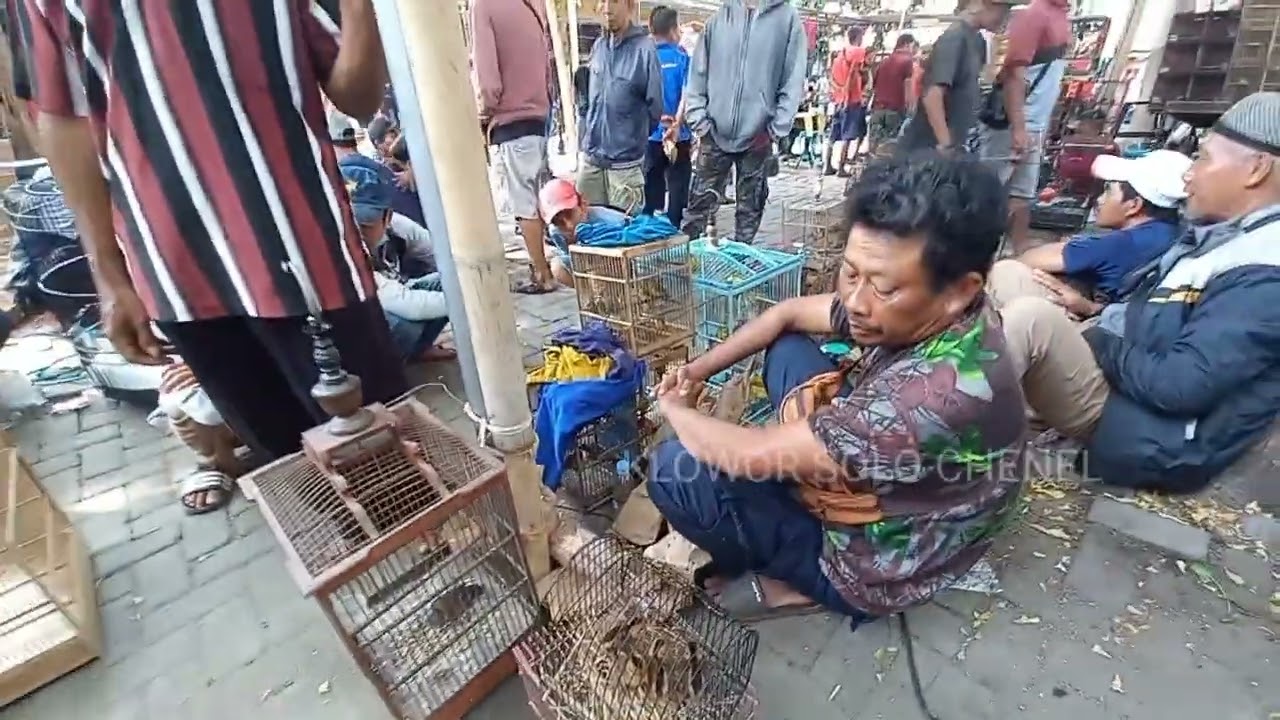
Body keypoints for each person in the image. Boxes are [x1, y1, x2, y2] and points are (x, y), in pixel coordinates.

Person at [13, 0, 408, 514]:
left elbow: (357, 97)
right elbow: (62, 115)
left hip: (307, 254)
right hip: (178, 272)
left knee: (386, 451)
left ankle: (435, 562)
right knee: (290, 461)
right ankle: (363, 572)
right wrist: (108, 275)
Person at [647, 155, 1026, 620]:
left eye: (883, 288)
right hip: (910, 485)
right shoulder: (926, 311)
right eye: (850, 273)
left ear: (959, 290)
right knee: (787, 347)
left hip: (887, 567)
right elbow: (785, 315)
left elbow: (746, 454)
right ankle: (807, 483)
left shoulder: (930, 397)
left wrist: (677, 409)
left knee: (673, 471)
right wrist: (697, 371)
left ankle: (808, 585)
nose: (856, 301)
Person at [996, 92, 1280, 494]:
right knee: (1011, 276)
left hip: (1146, 430)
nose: (1190, 176)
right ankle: (1007, 410)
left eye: (1202, 158)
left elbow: (1180, 385)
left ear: (1256, 169)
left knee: (1029, 318)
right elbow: (1160, 320)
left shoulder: (1266, 270)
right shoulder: (1226, 239)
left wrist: (1096, 338)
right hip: (1125, 377)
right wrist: (1093, 313)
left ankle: (937, 442)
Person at [988, 150, 1190, 319]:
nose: (1100, 199)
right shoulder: (1174, 232)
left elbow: (1027, 260)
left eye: (1109, 191)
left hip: (1104, 331)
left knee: (1005, 271)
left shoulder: (1120, 244)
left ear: (1133, 205)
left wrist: (1074, 246)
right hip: (1123, 318)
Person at [681, 0, 807, 245]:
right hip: (714, 132)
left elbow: (793, 78)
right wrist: (700, 121)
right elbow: (697, 74)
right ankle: (684, 271)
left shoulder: (787, 20)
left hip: (758, 136)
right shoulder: (719, 19)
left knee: (749, 214)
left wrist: (775, 129)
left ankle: (740, 269)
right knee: (696, 210)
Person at [471, 0, 556, 293]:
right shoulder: (532, 5)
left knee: (525, 205)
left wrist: (483, 112)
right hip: (539, 116)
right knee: (538, 199)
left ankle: (542, 275)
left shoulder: (483, 6)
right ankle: (548, 268)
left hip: (511, 119)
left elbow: (487, 78)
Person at [338, 155, 453, 363]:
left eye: (365, 225)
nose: (356, 233)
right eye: (349, 222)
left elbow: (442, 256)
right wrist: (468, 301)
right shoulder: (340, 249)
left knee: (450, 281)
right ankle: (388, 370)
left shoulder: (400, 227)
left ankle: (417, 351)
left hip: (395, 293)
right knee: (403, 322)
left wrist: (466, 284)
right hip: (361, 327)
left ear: (388, 217)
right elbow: (405, 304)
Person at [980, 0, 1071, 254]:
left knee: (1022, 193)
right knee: (990, 190)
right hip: (1015, 121)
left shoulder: (1058, 15)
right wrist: (1020, 126)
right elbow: (1014, 74)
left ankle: (1020, 253)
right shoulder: (1035, 14)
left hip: (1033, 122)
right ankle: (973, 249)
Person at [898, 0, 1015, 156]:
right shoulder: (954, 37)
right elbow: (932, 95)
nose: (1005, 17)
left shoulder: (978, 41)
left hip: (960, 141)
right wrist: (946, 144)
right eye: (1003, 9)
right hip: (929, 150)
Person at [579, 0, 663, 214]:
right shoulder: (598, 47)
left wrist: (631, 138)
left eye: (615, 1)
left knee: (625, 236)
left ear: (630, 5)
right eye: (603, 2)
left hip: (625, 167)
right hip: (592, 162)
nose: (607, 8)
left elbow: (655, 108)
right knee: (583, 232)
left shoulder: (644, 49)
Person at [643, 5, 693, 229]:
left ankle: (649, 235)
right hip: (678, 137)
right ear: (673, 30)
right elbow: (687, 92)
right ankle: (673, 233)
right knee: (677, 189)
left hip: (651, 136)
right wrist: (677, 122)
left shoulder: (644, 56)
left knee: (651, 190)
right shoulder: (682, 58)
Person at [537, 177, 629, 287]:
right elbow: (567, 258)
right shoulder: (556, 232)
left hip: (626, 269)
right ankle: (591, 298)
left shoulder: (612, 221)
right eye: (558, 222)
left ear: (583, 205)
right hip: (591, 268)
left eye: (569, 214)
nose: (568, 225)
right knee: (558, 267)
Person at [825, 26, 869, 177]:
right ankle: (841, 167)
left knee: (833, 135)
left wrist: (838, 91)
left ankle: (827, 165)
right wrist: (846, 96)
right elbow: (851, 75)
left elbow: (830, 77)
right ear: (858, 37)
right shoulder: (857, 52)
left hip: (838, 99)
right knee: (847, 136)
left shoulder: (839, 56)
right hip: (850, 100)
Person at [867, 33, 918, 157]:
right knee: (889, 148)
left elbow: (873, 85)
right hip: (894, 109)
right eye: (912, 46)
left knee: (874, 148)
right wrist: (911, 107)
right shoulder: (907, 61)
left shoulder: (884, 62)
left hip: (878, 108)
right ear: (906, 44)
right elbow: (908, 85)